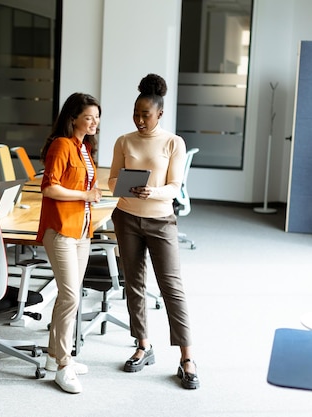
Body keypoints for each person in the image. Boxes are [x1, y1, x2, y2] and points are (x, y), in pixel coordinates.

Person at [108, 73, 200, 389]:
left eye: (145, 114)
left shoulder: (173, 142)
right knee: (133, 283)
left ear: (159, 113)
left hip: (161, 220)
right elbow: (111, 181)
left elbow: (175, 186)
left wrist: (153, 191)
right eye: (136, 114)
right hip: (126, 218)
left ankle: (187, 357)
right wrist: (124, 188)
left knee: (171, 286)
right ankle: (142, 345)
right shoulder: (124, 141)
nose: (139, 120)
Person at [36, 93, 103, 394]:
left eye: (97, 118)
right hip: (61, 229)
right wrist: (85, 196)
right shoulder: (62, 145)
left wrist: (93, 191)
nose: (94, 123)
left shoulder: (84, 148)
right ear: (73, 117)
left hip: (82, 229)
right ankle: (64, 364)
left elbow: (84, 185)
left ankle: (54, 357)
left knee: (70, 296)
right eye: (89, 117)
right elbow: (49, 187)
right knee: (70, 297)